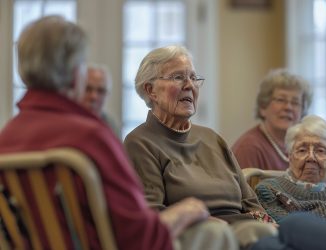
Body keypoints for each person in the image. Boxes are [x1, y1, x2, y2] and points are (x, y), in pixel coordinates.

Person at [0, 16, 238, 250]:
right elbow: (138, 237)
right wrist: (186, 211)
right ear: (75, 73)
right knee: (213, 234)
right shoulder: (90, 137)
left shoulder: (6, 140)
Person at [123, 45, 277, 249]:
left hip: (236, 227)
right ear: (150, 90)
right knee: (217, 233)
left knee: (264, 231)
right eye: (178, 77)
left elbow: (249, 201)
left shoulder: (212, 138)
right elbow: (152, 212)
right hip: (192, 233)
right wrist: (202, 219)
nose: (189, 85)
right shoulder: (140, 142)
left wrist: (268, 222)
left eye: (194, 78)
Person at [254, 115, 326, 223]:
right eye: (302, 150)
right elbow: (285, 230)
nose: (311, 157)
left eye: (320, 150)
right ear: (290, 157)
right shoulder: (269, 190)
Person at [232, 69, 312, 171]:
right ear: (263, 107)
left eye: (295, 102)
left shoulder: (302, 147)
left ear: (303, 112)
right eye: (280, 100)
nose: (288, 107)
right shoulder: (249, 148)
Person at [80, 63, 118, 135]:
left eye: (100, 91)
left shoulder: (111, 125)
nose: (94, 96)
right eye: (88, 89)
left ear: (107, 94)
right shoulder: (68, 121)